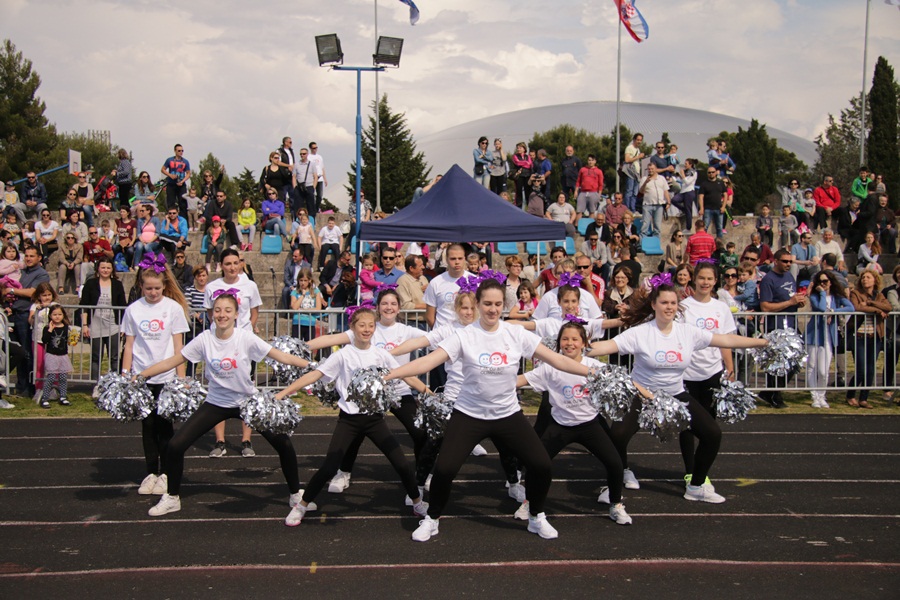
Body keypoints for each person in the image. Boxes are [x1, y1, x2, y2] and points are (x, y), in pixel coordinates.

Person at [387, 278, 599, 542]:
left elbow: (556, 359)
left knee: (541, 465)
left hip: (507, 414)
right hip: (469, 414)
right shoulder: (464, 336)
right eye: (487, 303)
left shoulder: (515, 333)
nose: (492, 309)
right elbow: (428, 362)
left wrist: (593, 371)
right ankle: (432, 519)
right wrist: (389, 375)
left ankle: (536, 516)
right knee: (444, 470)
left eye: (498, 304)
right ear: (477, 304)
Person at [586, 277, 767, 503]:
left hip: (675, 394)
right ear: (654, 305)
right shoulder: (640, 333)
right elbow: (606, 346)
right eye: (664, 303)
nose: (669, 307)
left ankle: (697, 485)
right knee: (618, 436)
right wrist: (574, 347)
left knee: (712, 434)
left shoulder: (687, 332)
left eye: (673, 303)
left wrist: (761, 343)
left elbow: (725, 338)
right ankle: (618, 476)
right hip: (642, 393)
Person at [140, 290, 314, 521]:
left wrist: (312, 368)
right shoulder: (204, 339)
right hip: (216, 403)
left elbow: (279, 356)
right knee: (175, 446)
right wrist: (141, 375)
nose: (222, 315)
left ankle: (295, 494)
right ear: (212, 313)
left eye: (227, 311)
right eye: (218, 310)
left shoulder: (245, 338)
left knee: (283, 444)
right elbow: (174, 360)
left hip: (247, 402)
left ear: (236, 315)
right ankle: (172, 497)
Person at [275, 305, 429, 527]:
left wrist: (429, 393)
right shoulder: (343, 355)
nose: (366, 329)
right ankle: (301, 506)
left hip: (375, 420)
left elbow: (407, 376)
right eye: (361, 325)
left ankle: (417, 502)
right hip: (349, 420)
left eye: (370, 325)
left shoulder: (381, 355)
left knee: (402, 464)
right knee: (329, 467)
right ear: (352, 327)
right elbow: (314, 376)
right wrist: (282, 393)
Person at [518, 321, 631, 525]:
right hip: (559, 426)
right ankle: (529, 502)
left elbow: (626, 381)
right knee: (536, 464)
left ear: (584, 343)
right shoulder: (550, 368)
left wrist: (649, 395)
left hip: (589, 425)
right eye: (565, 339)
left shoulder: (596, 367)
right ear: (559, 342)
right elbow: (521, 380)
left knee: (615, 463)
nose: (569, 343)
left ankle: (616, 504)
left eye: (574, 339)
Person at [121, 259, 190, 497]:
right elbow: (128, 346)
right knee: (147, 427)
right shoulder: (133, 310)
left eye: (157, 288)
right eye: (148, 288)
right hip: (141, 377)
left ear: (164, 285)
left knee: (165, 427)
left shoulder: (173, 308)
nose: (153, 292)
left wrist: (180, 381)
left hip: (167, 378)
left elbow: (179, 347)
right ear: (141, 286)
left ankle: (167, 473)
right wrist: (126, 376)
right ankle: (151, 473)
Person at [678, 263, 736, 486]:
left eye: (709, 279)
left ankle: (702, 472)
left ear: (715, 281)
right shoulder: (684, 307)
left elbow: (726, 341)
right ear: (694, 279)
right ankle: (690, 471)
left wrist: (729, 368)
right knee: (686, 423)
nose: (705, 282)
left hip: (712, 372)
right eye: (701, 278)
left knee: (709, 426)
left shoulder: (720, 308)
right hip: (687, 373)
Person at [204, 249, 263, 457]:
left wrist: (248, 329)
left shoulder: (250, 285)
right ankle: (220, 442)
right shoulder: (212, 287)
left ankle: (246, 440)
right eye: (227, 263)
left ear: (240, 264)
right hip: (219, 344)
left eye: (235, 263)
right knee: (218, 389)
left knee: (247, 390)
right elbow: (210, 312)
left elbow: (254, 310)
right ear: (221, 265)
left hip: (243, 345)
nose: (232, 267)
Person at [757, 249, 807, 409]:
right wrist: (790, 303)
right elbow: (765, 306)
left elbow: (790, 297)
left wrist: (799, 302)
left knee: (797, 359)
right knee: (778, 362)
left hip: (791, 324)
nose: (788, 264)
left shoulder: (789, 276)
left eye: (790, 261)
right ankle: (773, 394)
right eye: (785, 261)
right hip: (777, 327)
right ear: (776, 261)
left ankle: (771, 391)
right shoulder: (768, 280)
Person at [805, 271, 854, 409]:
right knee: (812, 366)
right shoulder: (815, 296)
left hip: (828, 336)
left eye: (825, 281)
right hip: (814, 334)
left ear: (831, 282)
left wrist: (833, 311)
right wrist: (821, 293)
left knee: (823, 370)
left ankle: (822, 395)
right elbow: (820, 308)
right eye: (820, 281)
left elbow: (850, 307)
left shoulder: (836, 297)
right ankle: (815, 396)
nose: (823, 284)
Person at [79, 257, 126, 396]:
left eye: (108, 267)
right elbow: (84, 306)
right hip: (95, 325)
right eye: (103, 267)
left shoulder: (117, 284)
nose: (105, 270)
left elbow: (123, 306)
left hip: (113, 325)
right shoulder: (91, 284)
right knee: (96, 357)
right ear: (98, 269)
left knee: (114, 357)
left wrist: (123, 326)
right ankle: (97, 386)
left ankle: (114, 385)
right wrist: (85, 325)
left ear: (112, 269)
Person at [846, 269, 891, 409]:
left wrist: (871, 304)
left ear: (874, 280)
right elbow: (857, 307)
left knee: (871, 370)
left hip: (875, 337)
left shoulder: (879, 295)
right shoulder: (855, 293)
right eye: (863, 277)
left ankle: (864, 398)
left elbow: (888, 307)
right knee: (861, 369)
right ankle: (850, 394)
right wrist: (877, 311)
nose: (865, 279)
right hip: (859, 336)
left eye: (868, 277)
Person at [39, 304, 73, 408]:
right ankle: (45, 398)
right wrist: (49, 330)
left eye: (59, 314)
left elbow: (69, 340)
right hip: (52, 355)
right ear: (50, 316)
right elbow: (44, 340)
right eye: (54, 314)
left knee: (63, 377)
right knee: (51, 377)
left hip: (63, 355)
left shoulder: (66, 327)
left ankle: (63, 396)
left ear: (63, 315)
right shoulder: (47, 327)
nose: (57, 317)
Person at [290, 268, 323, 340]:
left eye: (305, 280)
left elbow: (318, 308)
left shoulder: (316, 292)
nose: (303, 283)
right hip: (297, 322)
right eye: (301, 280)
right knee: (297, 347)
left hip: (310, 322)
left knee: (309, 347)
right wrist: (303, 295)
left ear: (309, 281)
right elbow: (294, 307)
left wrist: (303, 309)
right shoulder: (295, 292)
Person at [637, 163, 669, 239]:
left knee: (657, 227)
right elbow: (641, 191)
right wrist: (646, 182)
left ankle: (656, 244)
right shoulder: (644, 179)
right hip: (647, 205)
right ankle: (642, 244)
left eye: (652, 169)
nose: (650, 170)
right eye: (649, 169)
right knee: (645, 225)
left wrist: (668, 201)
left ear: (656, 169)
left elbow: (665, 190)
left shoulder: (661, 178)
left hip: (659, 205)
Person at [161, 144, 191, 218]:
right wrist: (170, 175)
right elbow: (162, 169)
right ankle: (171, 219)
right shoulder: (169, 160)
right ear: (175, 151)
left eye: (182, 151)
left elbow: (188, 173)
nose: (181, 152)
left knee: (183, 203)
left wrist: (183, 181)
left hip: (181, 184)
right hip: (171, 183)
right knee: (171, 203)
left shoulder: (185, 161)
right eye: (179, 150)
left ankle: (183, 221)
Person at [697, 166, 727, 239]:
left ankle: (719, 245)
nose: (711, 174)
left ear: (716, 172)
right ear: (707, 174)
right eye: (709, 172)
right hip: (708, 209)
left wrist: (723, 206)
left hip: (718, 208)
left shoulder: (721, 183)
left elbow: (725, 195)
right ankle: (703, 242)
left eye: (713, 172)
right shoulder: (704, 184)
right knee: (705, 227)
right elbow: (700, 197)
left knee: (719, 228)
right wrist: (701, 208)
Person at [293, 147, 318, 217]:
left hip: (309, 186)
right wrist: (294, 187)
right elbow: (294, 176)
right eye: (301, 154)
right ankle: (297, 221)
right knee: (298, 206)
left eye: (304, 154)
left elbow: (315, 176)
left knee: (311, 206)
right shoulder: (296, 164)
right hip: (299, 186)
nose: (302, 155)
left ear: (307, 154)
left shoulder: (312, 164)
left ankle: (312, 221)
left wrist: (313, 187)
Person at [622, 133, 645, 212]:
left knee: (635, 193)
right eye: (638, 140)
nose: (639, 142)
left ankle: (633, 209)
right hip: (630, 173)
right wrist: (638, 157)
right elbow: (627, 159)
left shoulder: (638, 149)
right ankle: (627, 208)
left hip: (636, 173)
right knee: (629, 191)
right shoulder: (629, 148)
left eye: (640, 140)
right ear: (634, 140)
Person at [308, 141, 327, 215]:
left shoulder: (319, 157)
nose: (315, 149)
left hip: (320, 177)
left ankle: (316, 208)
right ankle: (311, 209)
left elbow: (322, 168)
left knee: (319, 195)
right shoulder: (309, 157)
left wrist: (325, 178)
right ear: (310, 148)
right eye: (313, 148)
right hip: (312, 178)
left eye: (316, 148)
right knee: (311, 194)